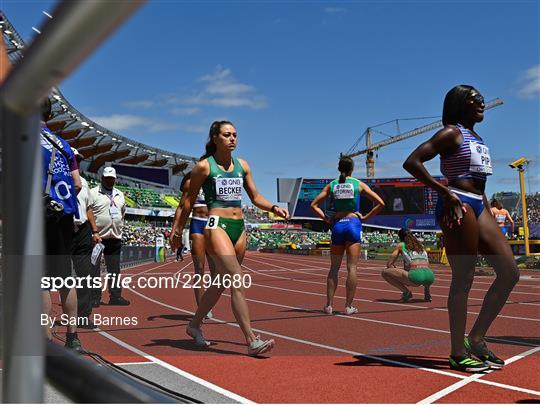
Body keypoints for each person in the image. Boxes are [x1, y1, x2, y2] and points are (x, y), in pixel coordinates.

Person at [403, 85, 519, 373]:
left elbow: (480, 182)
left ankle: (476, 338)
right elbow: (412, 162)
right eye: (475, 99)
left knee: (509, 273)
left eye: (482, 99)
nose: (482, 103)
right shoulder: (451, 133)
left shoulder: (477, 137)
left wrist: (487, 208)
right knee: (464, 279)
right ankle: (457, 352)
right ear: (459, 105)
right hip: (457, 204)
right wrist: (444, 192)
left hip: (479, 205)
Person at [171, 120, 288, 356]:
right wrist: (177, 232)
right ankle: (251, 339)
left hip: (238, 226)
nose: (232, 138)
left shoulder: (242, 165)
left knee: (220, 283)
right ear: (215, 138)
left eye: (235, 134)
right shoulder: (204, 167)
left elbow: (255, 196)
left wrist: (274, 208)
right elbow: (187, 203)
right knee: (237, 279)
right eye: (227, 135)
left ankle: (194, 325)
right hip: (216, 225)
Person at [310, 156, 385, 315]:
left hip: (337, 225)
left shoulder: (332, 185)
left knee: (334, 269)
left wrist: (325, 218)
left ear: (339, 168)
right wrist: (365, 218)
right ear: (352, 168)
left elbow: (313, 205)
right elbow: (381, 203)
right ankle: (348, 306)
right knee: (352, 268)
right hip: (353, 224)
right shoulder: (359, 185)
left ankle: (329, 305)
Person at [40, 97, 83, 350]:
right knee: (66, 279)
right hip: (65, 214)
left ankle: (45, 340)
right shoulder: (63, 144)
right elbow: (77, 184)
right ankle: (72, 337)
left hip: (40, 214)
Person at [171, 171, 215, 318]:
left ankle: (208, 302)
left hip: (214, 226)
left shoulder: (217, 179)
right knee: (200, 269)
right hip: (198, 224)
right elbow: (181, 207)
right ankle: (202, 308)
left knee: (217, 273)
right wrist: (175, 231)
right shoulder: (191, 182)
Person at [88, 167, 130, 306]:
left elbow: (122, 212)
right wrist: (94, 231)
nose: (109, 180)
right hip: (98, 238)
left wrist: (118, 227)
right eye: (107, 178)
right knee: (94, 268)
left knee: (114, 269)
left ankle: (115, 296)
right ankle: (94, 297)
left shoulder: (120, 194)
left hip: (115, 237)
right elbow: (89, 212)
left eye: (112, 178)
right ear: (102, 178)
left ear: (115, 179)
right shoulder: (93, 192)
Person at [71, 148, 98, 328]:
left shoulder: (86, 183)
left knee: (85, 275)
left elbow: (88, 208)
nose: (77, 163)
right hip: (62, 227)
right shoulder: (55, 179)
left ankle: (83, 315)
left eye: (79, 160)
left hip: (82, 230)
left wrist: (95, 231)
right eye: (74, 160)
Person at [383, 228, 434, 302]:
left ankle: (406, 292)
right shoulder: (420, 245)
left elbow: (389, 264)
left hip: (416, 277)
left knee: (385, 272)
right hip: (430, 276)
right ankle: (427, 292)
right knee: (422, 267)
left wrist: (397, 272)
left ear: (400, 237)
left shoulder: (401, 245)